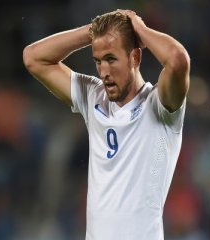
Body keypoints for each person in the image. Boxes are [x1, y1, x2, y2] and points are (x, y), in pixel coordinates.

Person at [23, 9, 190, 240]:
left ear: (135, 58)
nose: (104, 72)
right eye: (98, 61)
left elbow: (178, 59)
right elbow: (33, 57)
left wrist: (138, 28)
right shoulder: (93, 96)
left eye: (111, 59)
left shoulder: (160, 106)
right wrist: (92, 32)